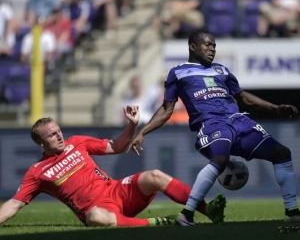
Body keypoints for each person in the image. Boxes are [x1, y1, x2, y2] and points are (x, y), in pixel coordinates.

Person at [127, 29, 300, 226]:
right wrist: (142, 131)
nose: (212, 49)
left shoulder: (222, 70)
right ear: (193, 47)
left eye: (214, 46)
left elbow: (243, 98)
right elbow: (167, 109)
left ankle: (292, 210)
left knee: (281, 152)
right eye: (207, 44)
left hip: (239, 121)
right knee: (220, 159)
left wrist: (275, 108)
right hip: (211, 123)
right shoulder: (178, 72)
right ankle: (187, 214)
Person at [0, 105, 226, 227]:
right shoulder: (37, 172)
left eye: (59, 131)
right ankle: (155, 223)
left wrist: (131, 125)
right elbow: (13, 204)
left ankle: (210, 211)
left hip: (117, 191)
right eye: (52, 135)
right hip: (98, 210)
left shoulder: (76, 142)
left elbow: (116, 146)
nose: (59, 136)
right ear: (41, 142)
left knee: (154, 175)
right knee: (96, 218)